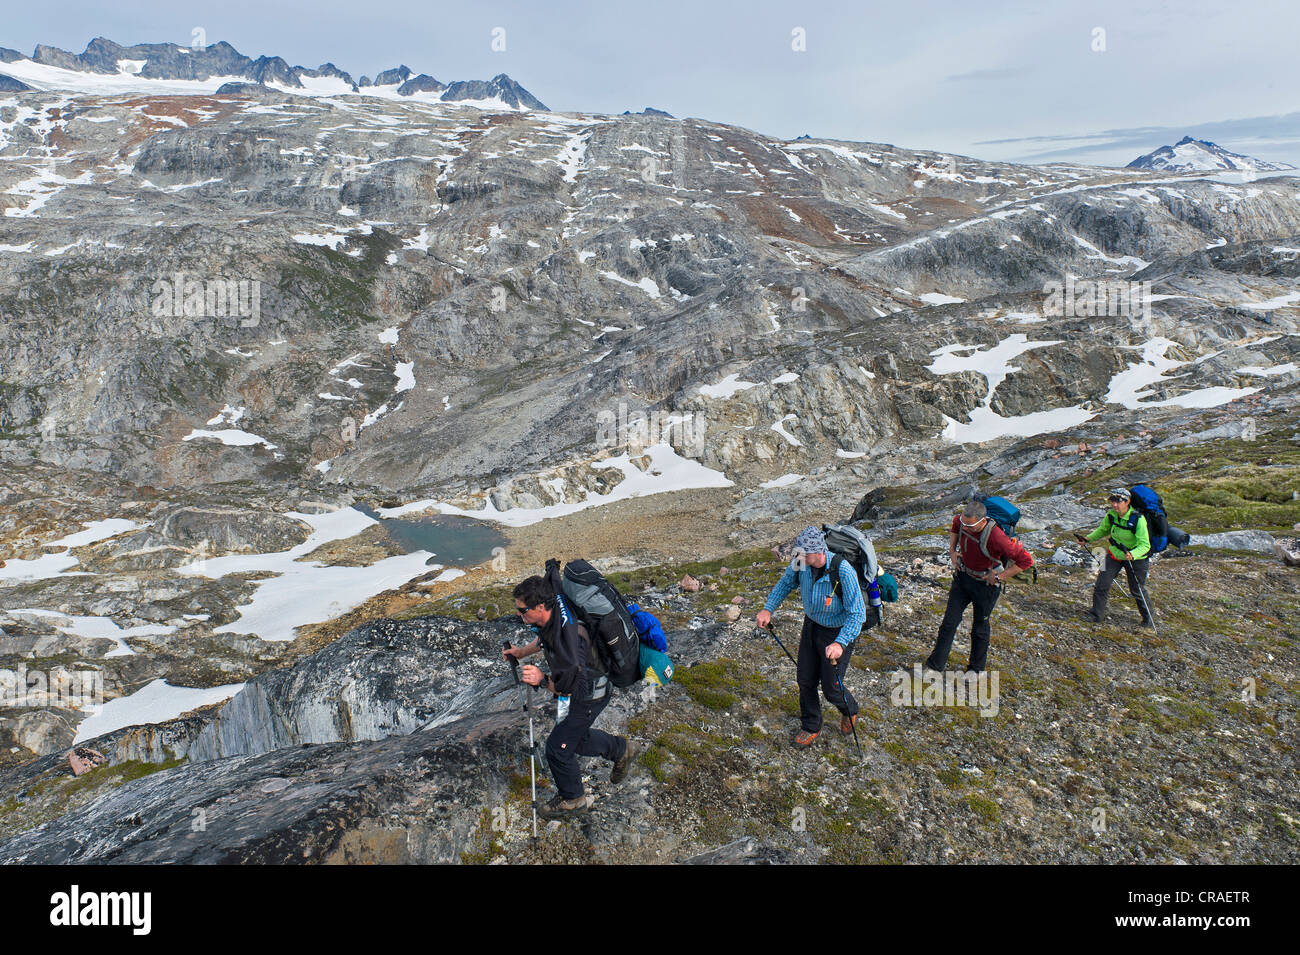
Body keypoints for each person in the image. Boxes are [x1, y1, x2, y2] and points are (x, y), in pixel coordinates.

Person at [504, 573, 637, 819]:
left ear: (541, 606)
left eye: (523, 611)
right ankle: (621, 749)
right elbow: (542, 637)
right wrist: (521, 652)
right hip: (589, 687)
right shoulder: (554, 609)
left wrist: (541, 679)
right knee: (574, 738)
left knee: (558, 748)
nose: (520, 616)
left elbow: (565, 688)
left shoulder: (569, 645)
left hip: (588, 694)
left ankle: (573, 799)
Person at [756, 526, 865, 747]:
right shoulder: (800, 562)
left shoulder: (843, 571)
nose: (799, 557)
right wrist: (768, 609)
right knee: (805, 679)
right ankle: (811, 725)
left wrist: (840, 643)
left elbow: (857, 614)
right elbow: (786, 583)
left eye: (804, 553)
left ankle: (850, 710)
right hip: (812, 626)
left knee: (832, 688)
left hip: (837, 632)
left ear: (818, 552)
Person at [925, 498, 1034, 673]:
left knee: (979, 628)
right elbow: (955, 527)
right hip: (963, 579)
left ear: (983, 521)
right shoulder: (961, 521)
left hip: (985, 587)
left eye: (971, 526)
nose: (966, 528)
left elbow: (1026, 561)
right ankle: (934, 666)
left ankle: (975, 671)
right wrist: (953, 552)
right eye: (964, 524)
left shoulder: (997, 536)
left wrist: (1000, 577)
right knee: (949, 623)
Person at [1077, 488, 1155, 627]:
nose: (1114, 504)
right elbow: (1103, 530)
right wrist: (1087, 539)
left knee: (1137, 589)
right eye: (1112, 501)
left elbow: (1145, 545)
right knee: (1102, 584)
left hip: (1136, 559)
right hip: (1114, 554)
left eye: (1118, 501)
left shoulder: (1138, 519)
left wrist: (1133, 554)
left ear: (1127, 501)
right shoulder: (1111, 515)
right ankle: (1096, 615)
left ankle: (1148, 618)